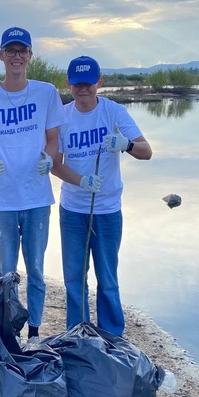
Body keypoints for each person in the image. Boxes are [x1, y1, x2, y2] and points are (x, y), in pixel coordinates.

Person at [0, 27, 66, 345]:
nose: (16, 56)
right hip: (2, 199)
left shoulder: (46, 92)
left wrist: (49, 160)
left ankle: (35, 333)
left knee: (36, 270)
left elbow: (53, 140)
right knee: (6, 272)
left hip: (38, 197)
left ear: (30, 56)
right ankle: (7, 332)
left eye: (22, 50)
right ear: (1, 55)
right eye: (10, 50)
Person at [51, 55, 152, 336]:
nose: (83, 90)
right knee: (74, 278)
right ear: (69, 85)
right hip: (72, 210)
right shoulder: (62, 117)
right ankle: (78, 333)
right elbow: (55, 165)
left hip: (106, 210)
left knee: (107, 279)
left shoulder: (113, 111)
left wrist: (125, 143)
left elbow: (146, 152)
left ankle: (111, 335)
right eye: (77, 85)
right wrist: (81, 181)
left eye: (88, 84)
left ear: (99, 82)